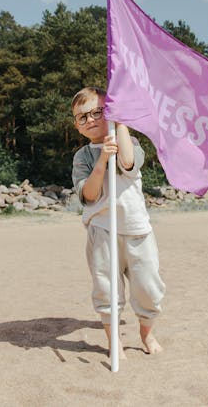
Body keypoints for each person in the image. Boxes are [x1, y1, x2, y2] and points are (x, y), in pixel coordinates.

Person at [71, 86, 165, 358]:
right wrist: (101, 159)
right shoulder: (82, 157)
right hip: (102, 230)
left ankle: (146, 333)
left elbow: (127, 162)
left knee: (149, 288)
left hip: (137, 229)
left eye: (98, 112)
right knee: (107, 290)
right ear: (76, 126)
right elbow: (89, 195)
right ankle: (114, 342)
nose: (90, 120)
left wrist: (120, 121)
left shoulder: (130, 142)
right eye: (82, 117)